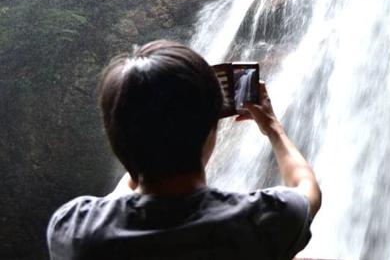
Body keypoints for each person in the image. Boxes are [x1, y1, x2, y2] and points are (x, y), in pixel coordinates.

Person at [47, 40, 321, 260]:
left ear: (116, 139)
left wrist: (139, 149)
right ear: (210, 133)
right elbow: (307, 188)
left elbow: (118, 198)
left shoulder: (74, 229)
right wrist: (273, 128)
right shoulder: (260, 221)